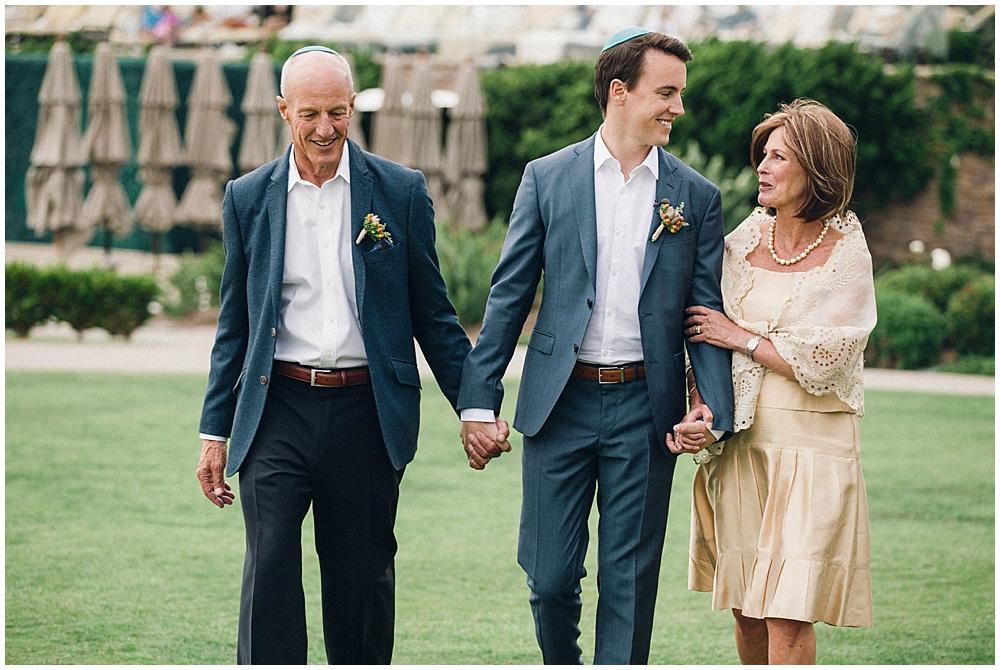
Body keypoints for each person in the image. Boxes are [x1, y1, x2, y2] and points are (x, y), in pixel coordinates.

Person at [194, 46, 508, 664]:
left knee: (360, 578)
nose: (325, 128)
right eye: (309, 114)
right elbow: (235, 325)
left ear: (353, 106)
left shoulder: (400, 190)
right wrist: (214, 431)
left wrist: (475, 408)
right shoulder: (247, 197)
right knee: (270, 561)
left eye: (337, 112)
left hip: (367, 410)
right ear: (283, 110)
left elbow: (434, 315)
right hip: (276, 407)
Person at [457, 29, 735, 664]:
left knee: (630, 582)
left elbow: (704, 312)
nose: (678, 107)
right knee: (550, 577)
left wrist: (709, 405)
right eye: (666, 93)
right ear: (619, 92)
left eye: (679, 94)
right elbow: (508, 295)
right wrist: (478, 401)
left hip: (647, 409)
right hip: (559, 404)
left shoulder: (696, 196)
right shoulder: (547, 177)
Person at [671, 99, 876, 664]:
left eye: (779, 157)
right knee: (747, 608)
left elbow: (829, 358)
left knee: (788, 610)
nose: (762, 166)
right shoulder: (743, 241)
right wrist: (699, 404)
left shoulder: (846, 250)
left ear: (817, 167)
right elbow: (703, 335)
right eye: (763, 154)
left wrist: (742, 338)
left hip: (813, 452)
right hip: (743, 446)